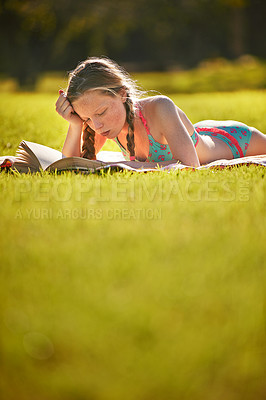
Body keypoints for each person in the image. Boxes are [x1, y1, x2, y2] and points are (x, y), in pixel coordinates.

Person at [55, 56, 266, 168]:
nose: (96, 125)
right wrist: (75, 124)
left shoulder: (160, 107)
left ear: (122, 94)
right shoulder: (103, 125)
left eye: (101, 112)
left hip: (233, 141)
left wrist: (127, 165)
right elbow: (72, 165)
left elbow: (190, 165)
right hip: (196, 132)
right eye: (87, 119)